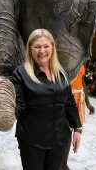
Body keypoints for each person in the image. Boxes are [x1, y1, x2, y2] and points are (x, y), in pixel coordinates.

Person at [12, 29, 82, 170]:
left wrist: (78, 129)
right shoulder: (21, 73)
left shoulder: (62, 72)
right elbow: (19, 105)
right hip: (32, 140)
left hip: (60, 139)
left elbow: (69, 102)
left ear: (52, 48)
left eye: (46, 46)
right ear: (30, 49)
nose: (42, 51)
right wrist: (2, 114)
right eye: (37, 46)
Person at [61, 64, 95, 170]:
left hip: (77, 98)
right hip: (66, 98)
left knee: (70, 130)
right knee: (65, 130)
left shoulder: (81, 60)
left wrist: (87, 102)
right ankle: (61, 164)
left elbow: (82, 81)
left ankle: (62, 163)